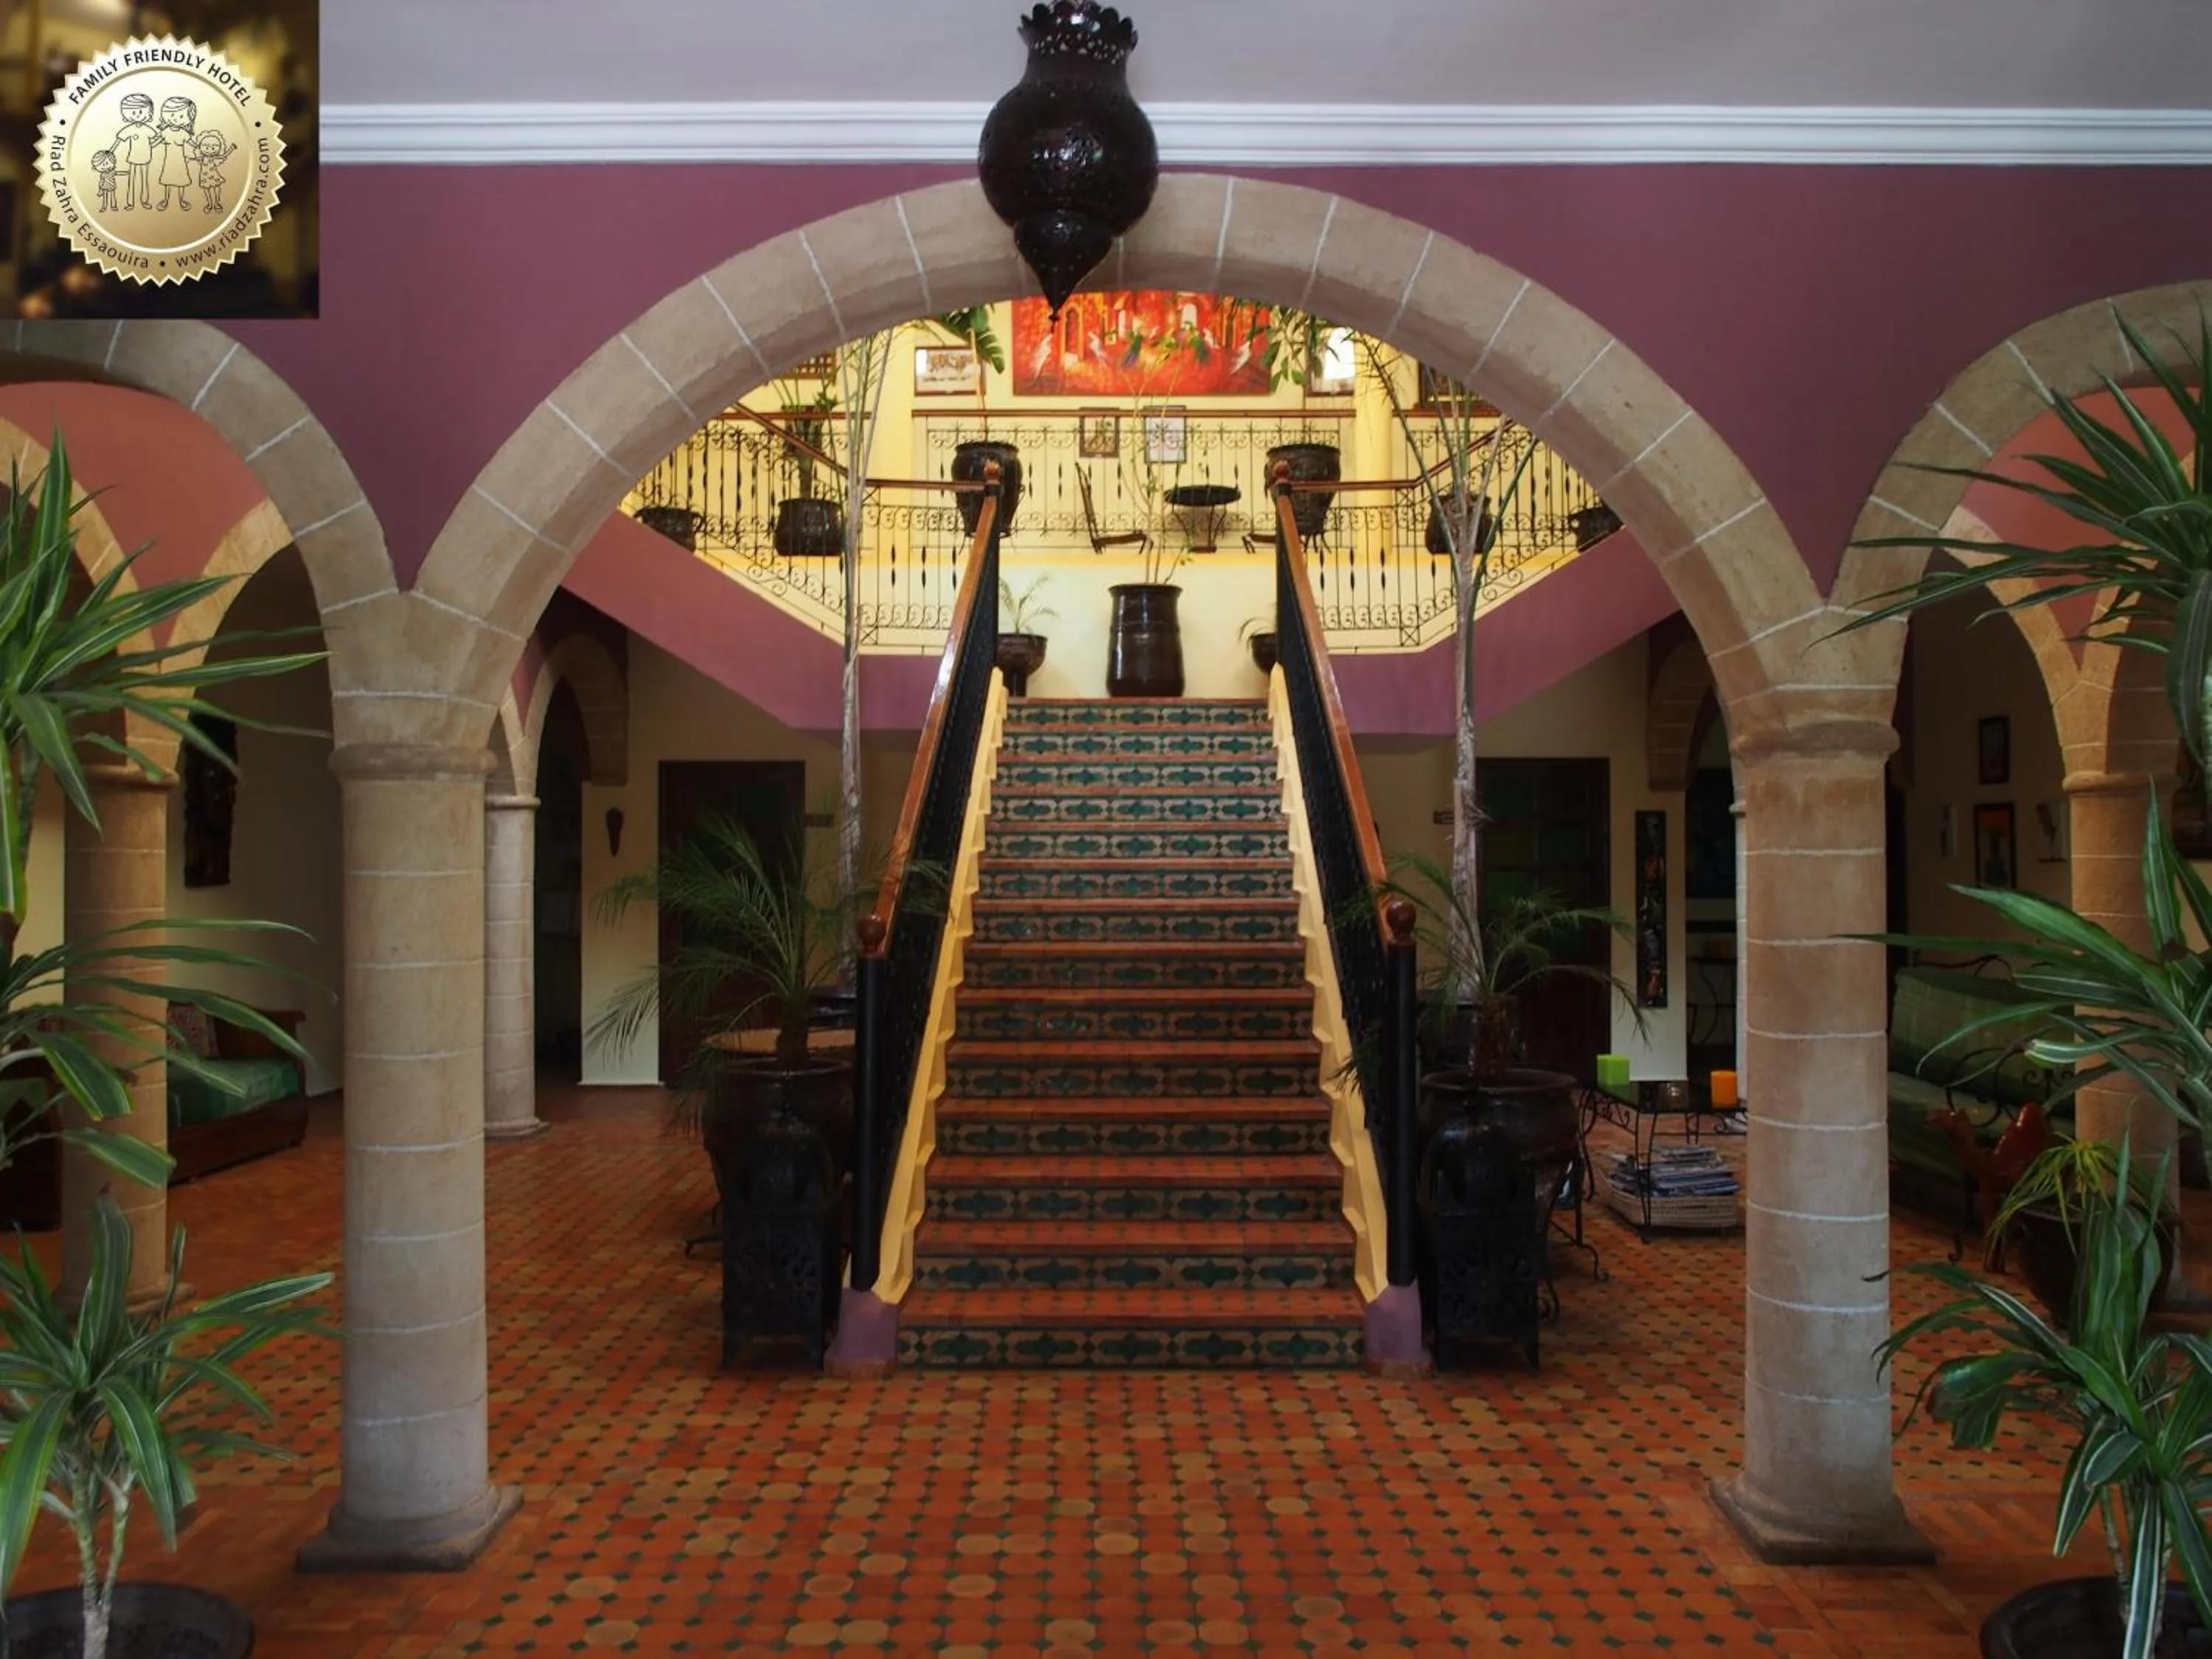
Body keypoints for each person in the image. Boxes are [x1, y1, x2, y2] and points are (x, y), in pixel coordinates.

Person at [111, 94, 156, 209]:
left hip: (146, 158)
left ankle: (144, 201)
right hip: (133, 158)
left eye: (141, 112)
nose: (137, 116)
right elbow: (119, 141)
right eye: (133, 113)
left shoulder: (148, 129)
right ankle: (130, 203)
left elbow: (153, 142)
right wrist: (110, 152)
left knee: (144, 181)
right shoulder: (129, 129)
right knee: (132, 180)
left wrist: (159, 142)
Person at [154, 96, 198, 210]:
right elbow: (157, 141)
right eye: (172, 115)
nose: (175, 119)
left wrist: (199, 147)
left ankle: (182, 201)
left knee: (181, 181)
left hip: (180, 161)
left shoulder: (184, 133)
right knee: (167, 181)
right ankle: (166, 200)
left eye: (181, 116)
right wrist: (149, 145)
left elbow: (191, 143)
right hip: (169, 161)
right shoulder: (165, 132)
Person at [194, 131, 234, 213]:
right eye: (206, 147)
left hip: (213, 175)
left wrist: (232, 148)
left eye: (213, 148)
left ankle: (216, 203)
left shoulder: (214, 158)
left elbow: (224, 155)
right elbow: (195, 158)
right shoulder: (202, 157)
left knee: (216, 188)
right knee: (206, 189)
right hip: (204, 176)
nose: (209, 150)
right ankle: (210, 204)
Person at [90, 150, 117, 215]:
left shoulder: (112, 172)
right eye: (103, 164)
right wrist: (100, 191)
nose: (106, 166)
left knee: (113, 196)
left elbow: (118, 173)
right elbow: (101, 182)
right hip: (105, 187)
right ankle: (104, 207)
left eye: (107, 163)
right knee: (105, 197)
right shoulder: (103, 174)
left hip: (112, 186)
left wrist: (127, 173)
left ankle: (113, 206)